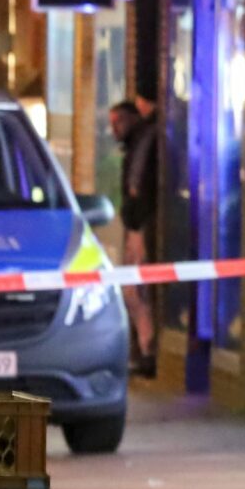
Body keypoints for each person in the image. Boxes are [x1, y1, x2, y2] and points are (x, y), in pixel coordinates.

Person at [110, 98, 160, 376]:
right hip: (135, 225)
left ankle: (147, 350)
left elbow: (137, 186)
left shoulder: (143, 141)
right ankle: (144, 348)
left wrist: (136, 222)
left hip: (140, 226)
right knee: (133, 289)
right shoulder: (137, 143)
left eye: (118, 122)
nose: (114, 129)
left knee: (137, 289)